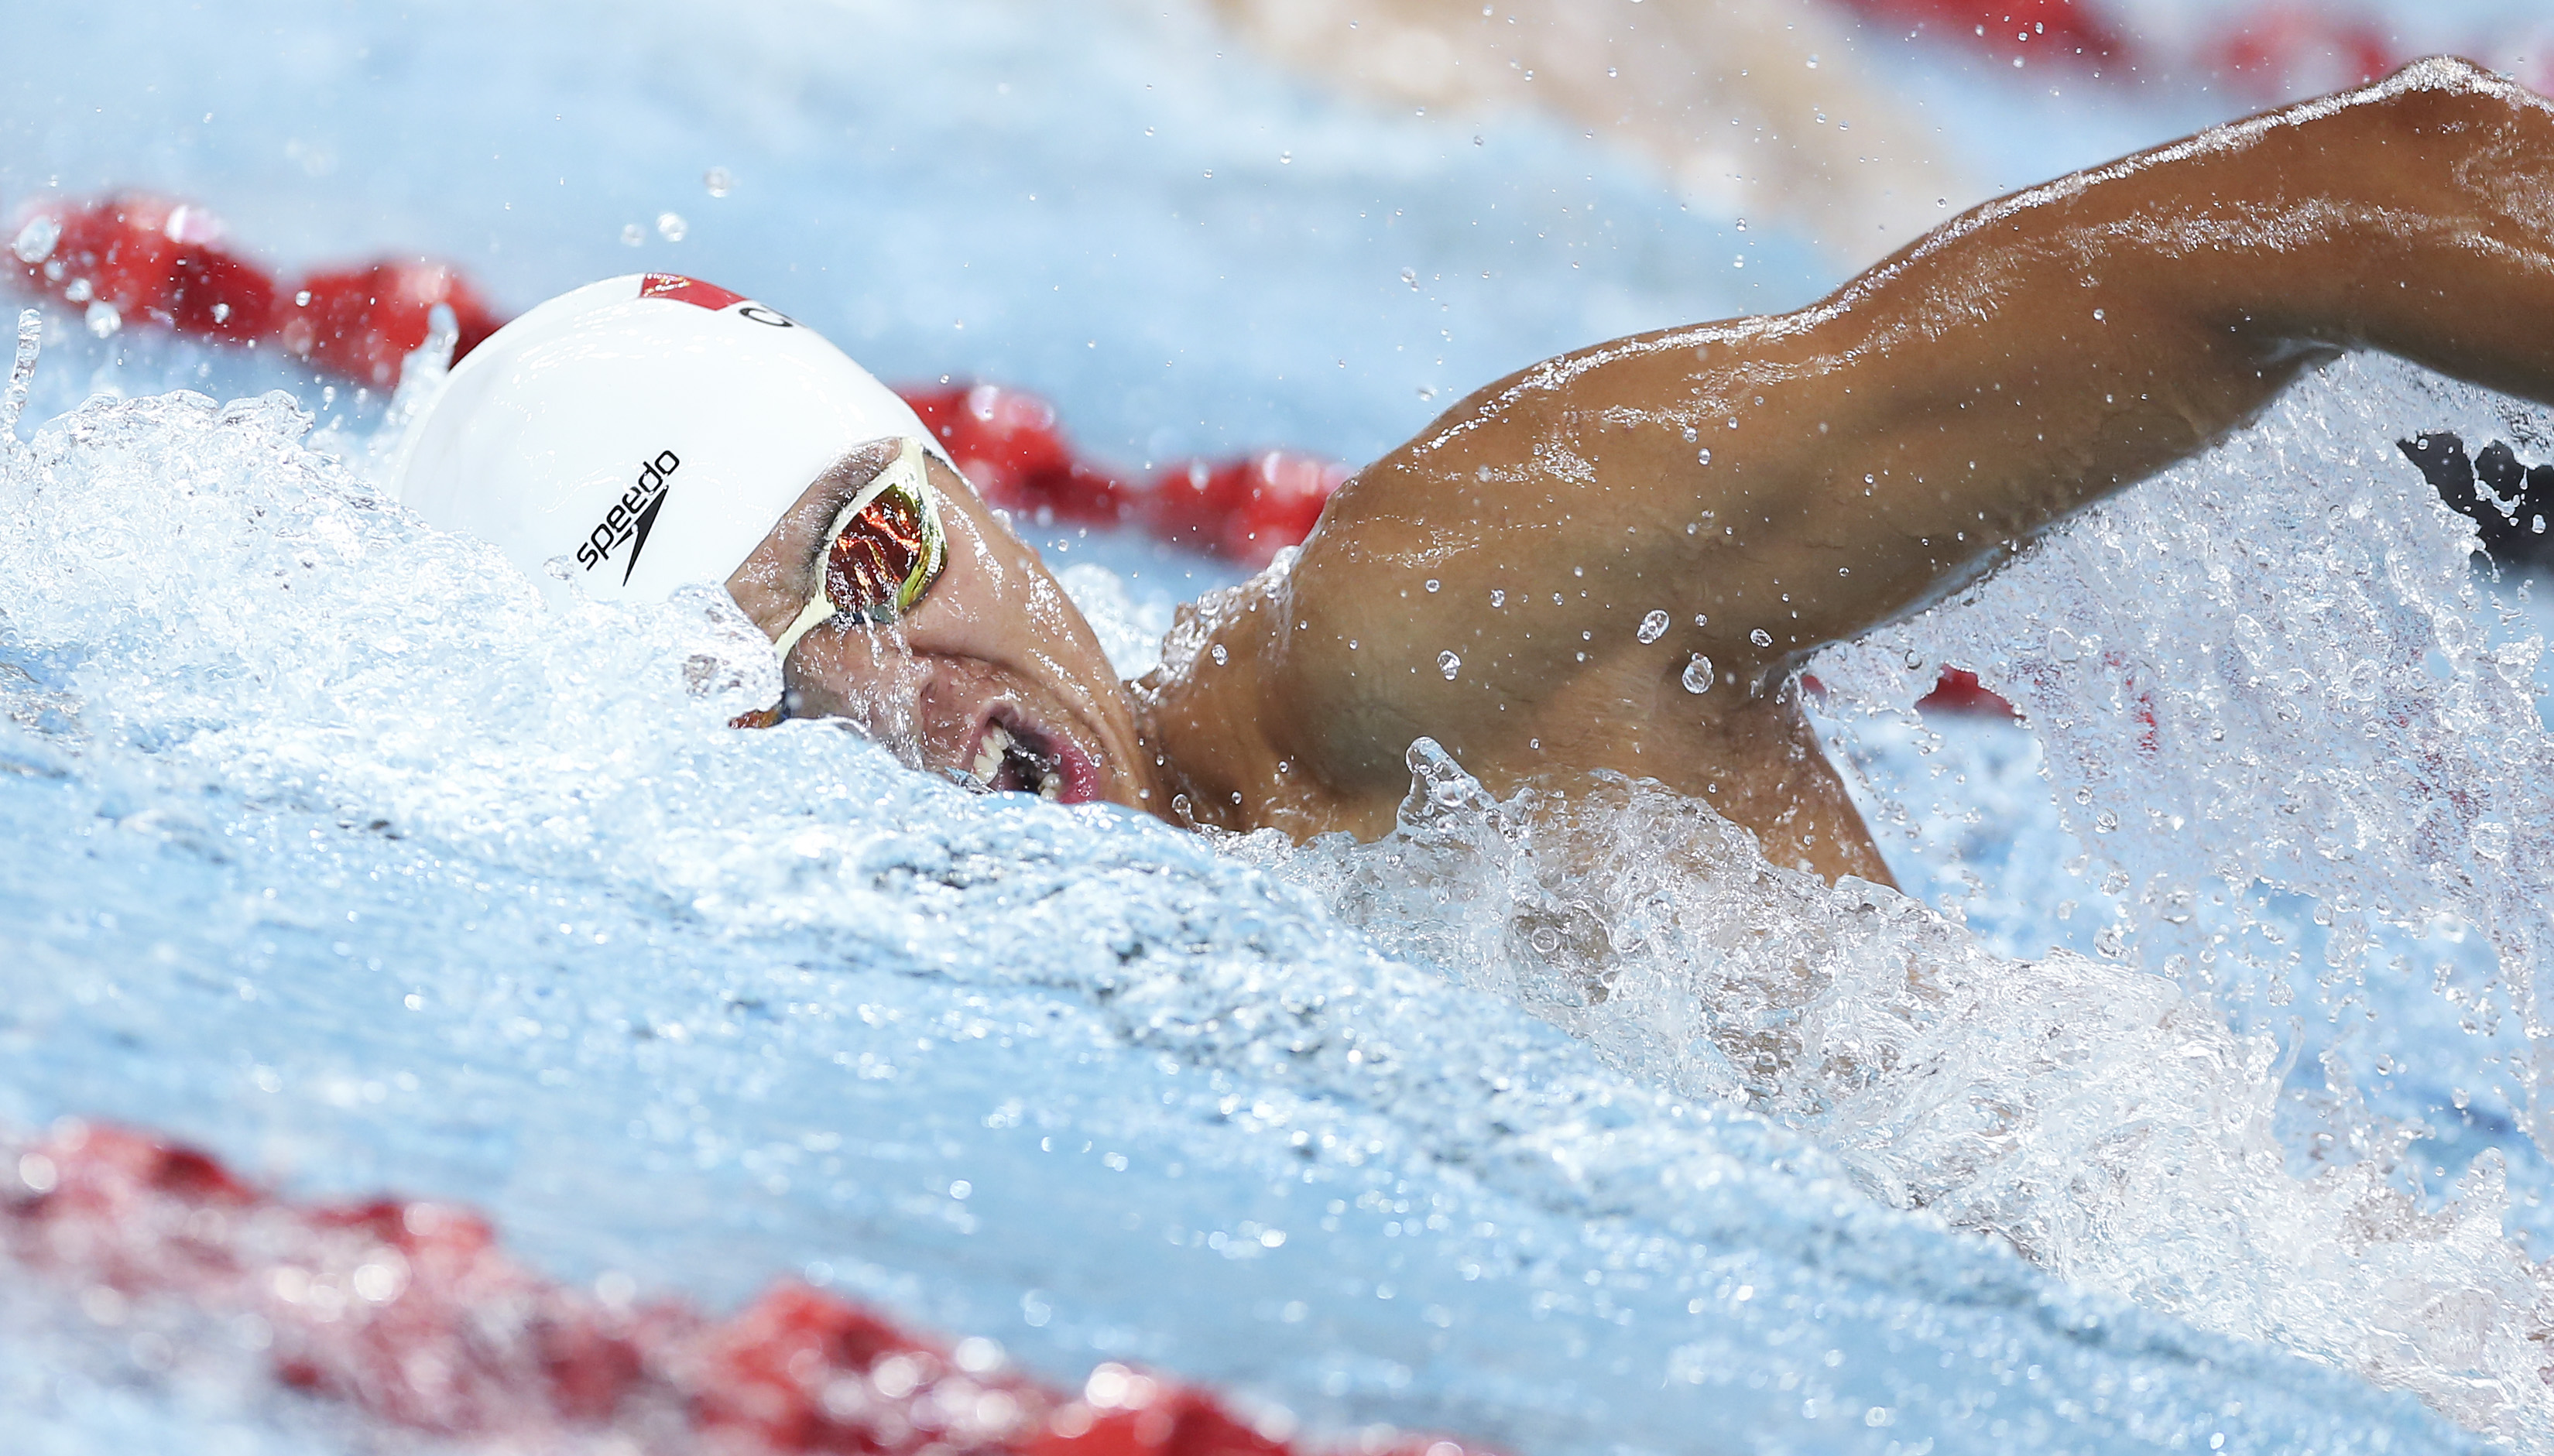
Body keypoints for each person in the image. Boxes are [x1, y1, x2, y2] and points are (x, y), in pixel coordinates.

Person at [399, 59, 2554, 889]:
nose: (903, 701)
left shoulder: (1430, 649)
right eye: (763, 695)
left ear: (960, 484)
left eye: (868, 558)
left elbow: (2374, 187)